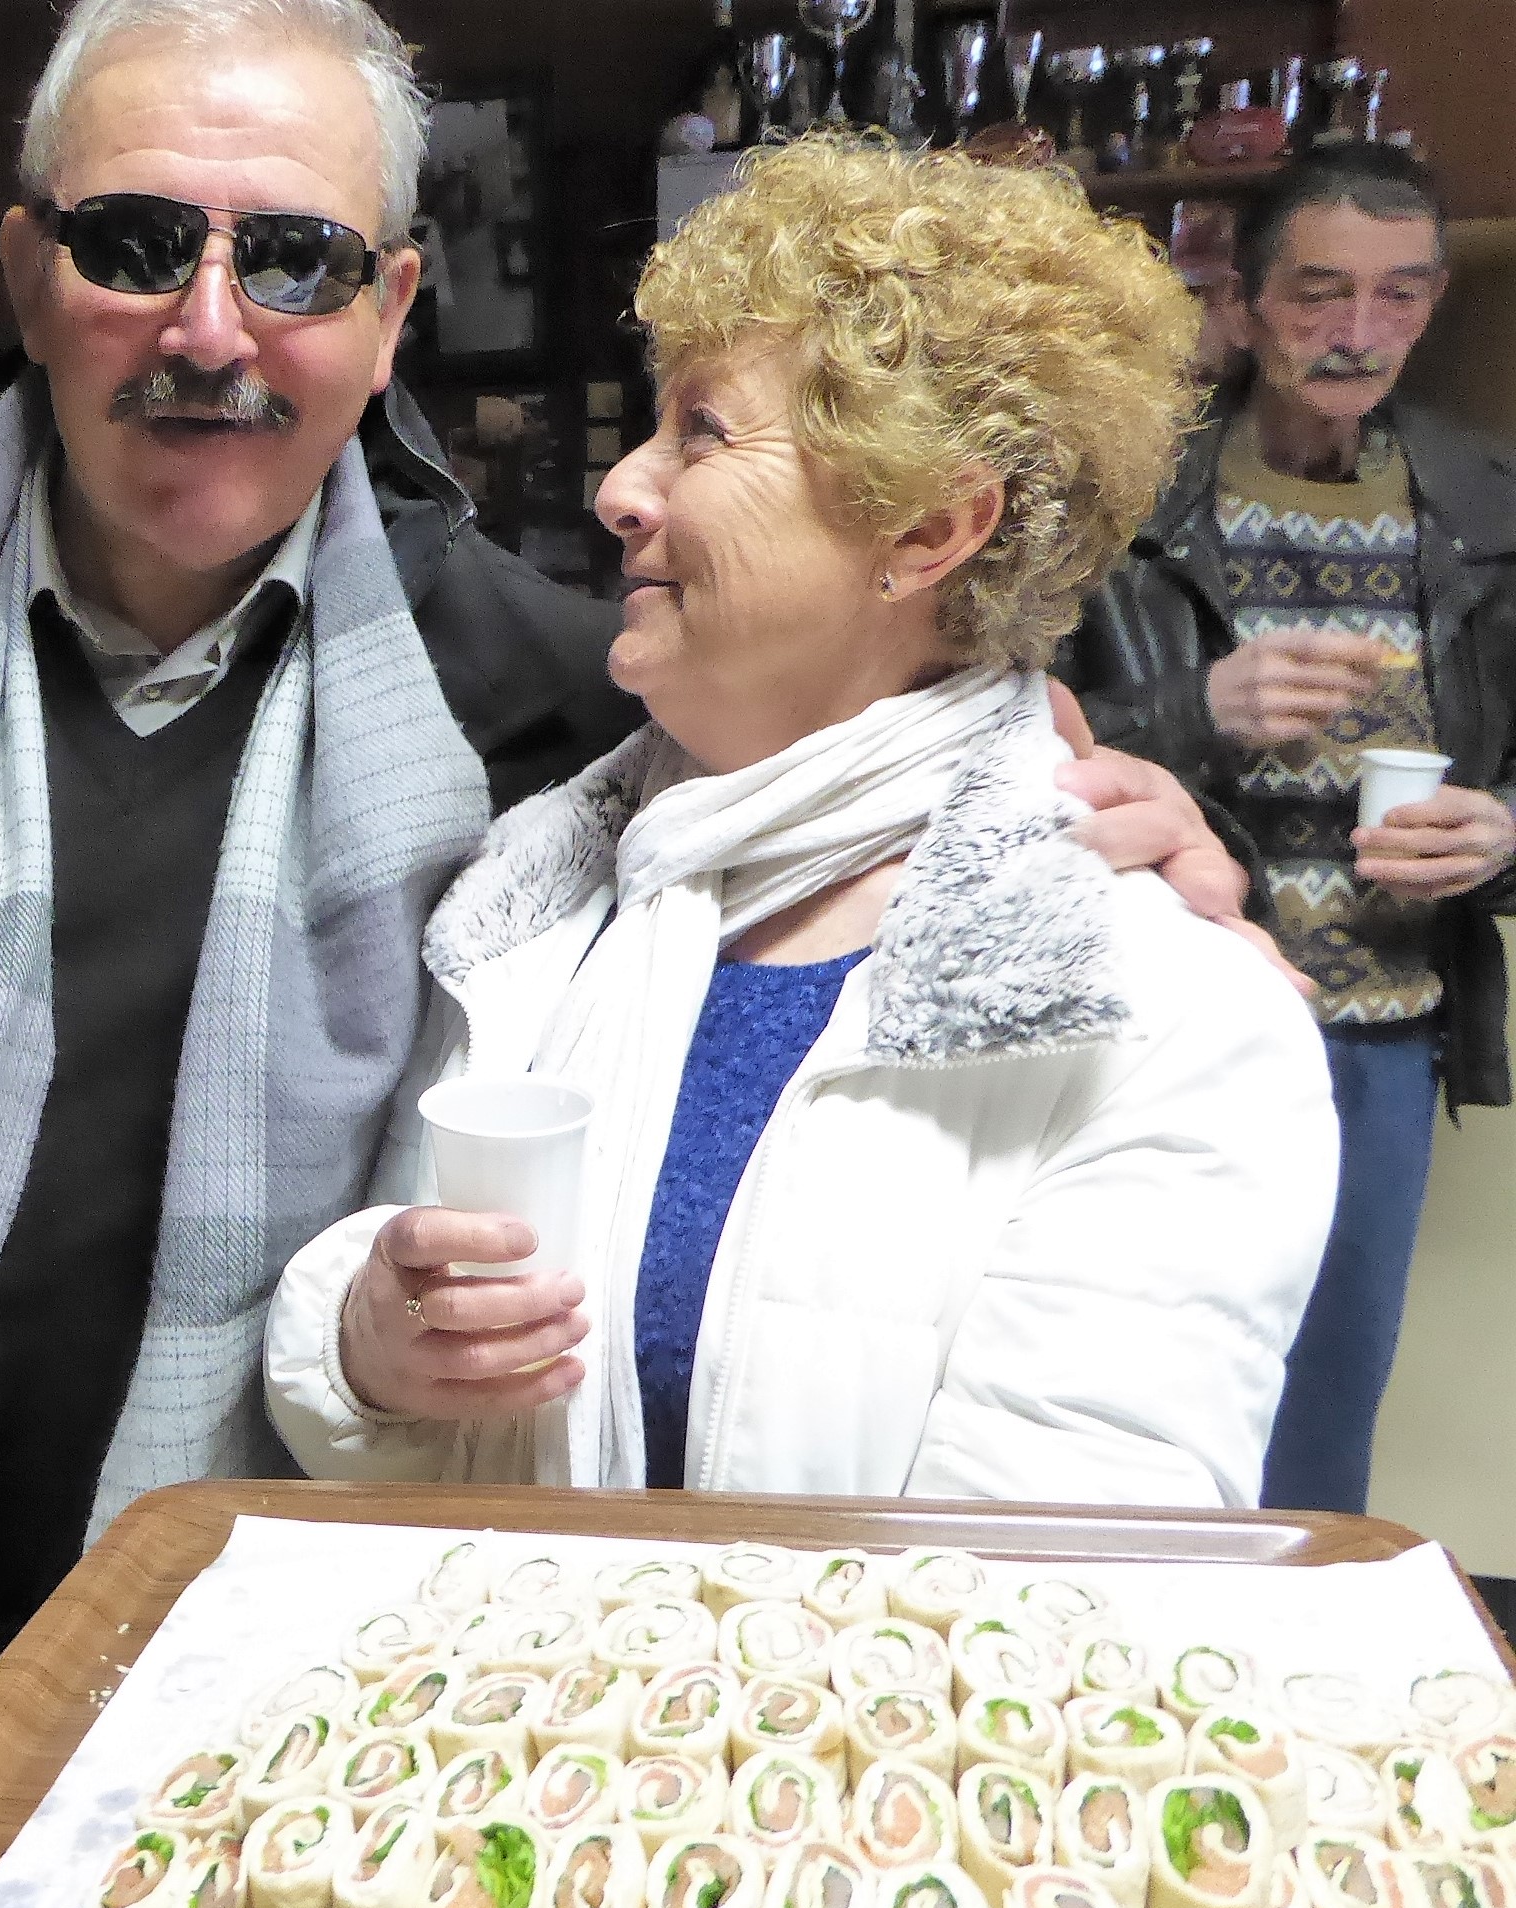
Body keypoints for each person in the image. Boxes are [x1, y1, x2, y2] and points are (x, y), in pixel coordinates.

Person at [0, 9, 1251, 1908]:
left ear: (390, 309)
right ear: (30, 271)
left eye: (295, 260)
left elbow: (873, 757)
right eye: (136, 242)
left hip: (289, 1677)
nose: (209, 328)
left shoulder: (558, 708)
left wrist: (1092, 816)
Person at [267, 136, 1337, 1505]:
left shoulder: (1164, 1014)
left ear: (929, 528)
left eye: (703, 431)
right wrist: (362, 1350)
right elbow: (388, 1378)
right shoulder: (528, 910)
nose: (620, 489)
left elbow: (1053, 1577)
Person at [1055, 143, 1516, 1514]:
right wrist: (1195, 710)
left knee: (1322, 1411)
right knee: (1123, 1387)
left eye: (1399, 294)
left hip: (1379, 1029)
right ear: (1247, 303)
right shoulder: (1127, 498)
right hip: (1161, 1013)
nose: (1358, 331)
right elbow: (1004, 740)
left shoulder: (1488, 510)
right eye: (1320, 291)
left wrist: (1504, 830)